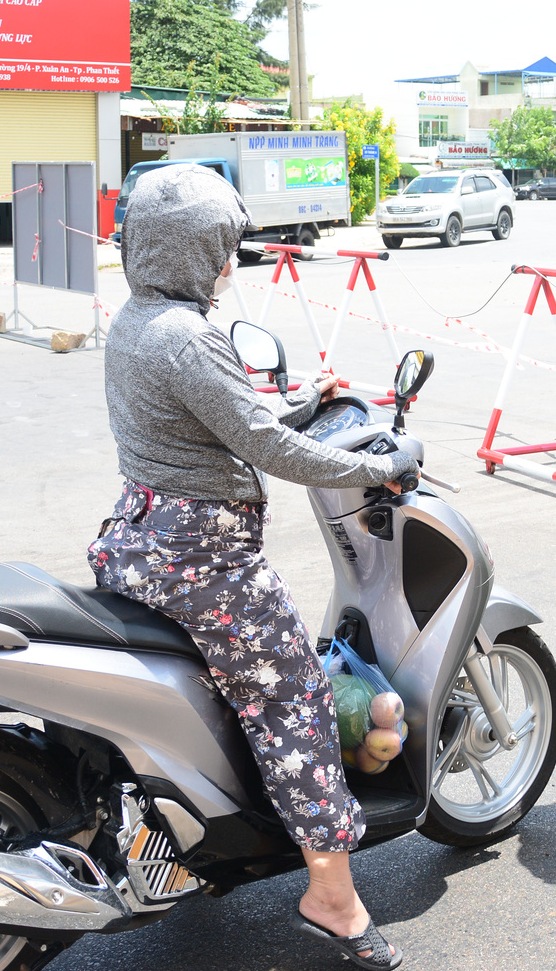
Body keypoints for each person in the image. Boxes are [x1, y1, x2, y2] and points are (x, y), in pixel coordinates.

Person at [89, 162, 416, 968]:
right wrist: (378, 467)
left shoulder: (137, 318)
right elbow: (265, 446)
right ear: (189, 248)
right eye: (221, 246)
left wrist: (303, 404)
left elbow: (220, 419)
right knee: (295, 698)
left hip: (139, 539)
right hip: (205, 559)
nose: (230, 261)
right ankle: (332, 896)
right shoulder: (189, 334)